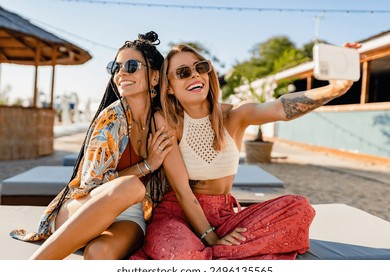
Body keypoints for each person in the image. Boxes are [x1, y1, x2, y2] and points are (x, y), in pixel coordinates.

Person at [130, 42, 361, 260]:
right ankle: (217, 254)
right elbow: (182, 191)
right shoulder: (168, 121)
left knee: (298, 208)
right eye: (183, 72)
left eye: (201, 67)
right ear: (169, 87)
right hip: (178, 215)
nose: (195, 75)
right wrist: (212, 238)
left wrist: (335, 89)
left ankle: (210, 257)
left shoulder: (236, 115)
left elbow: (281, 108)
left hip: (224, 215)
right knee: (183, 257)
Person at [10, 31, 174, 260]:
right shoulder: (112, 119)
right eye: (115, 67)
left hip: (131, 213)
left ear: (155, 78)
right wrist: (146, 166)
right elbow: (92, 185)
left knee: (100, 253)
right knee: (132, 187)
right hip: (82, 205)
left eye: (132, 65)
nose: (122, 73)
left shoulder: (159, 121)